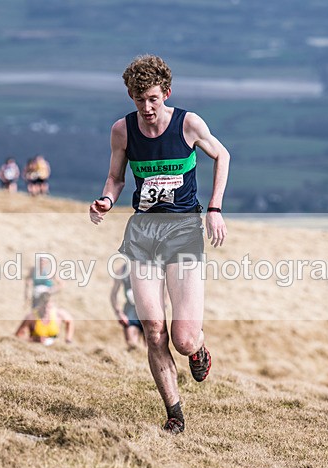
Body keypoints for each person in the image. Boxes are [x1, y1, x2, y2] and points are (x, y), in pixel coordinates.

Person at [89, 54, 230, 434]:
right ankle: (174, 414)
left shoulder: (188, 124)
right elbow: (116, 178)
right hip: (143, 235)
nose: (147, 107)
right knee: (153, 328)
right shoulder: (122, 130)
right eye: (139, 99)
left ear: (166, 92)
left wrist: (214, 208)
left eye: (153, 98)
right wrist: (106, 198)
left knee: (182, 340)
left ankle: (198, 349)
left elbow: (223, 156)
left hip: (183, 232)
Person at [110, 264, 144, 350]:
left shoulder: (152, 267)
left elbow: (164, 288)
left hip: (149, 311)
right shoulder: (122, 270)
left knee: (152, 347)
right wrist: (119, 313)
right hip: (131, 311)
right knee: (132, 346)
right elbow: (113, 294)